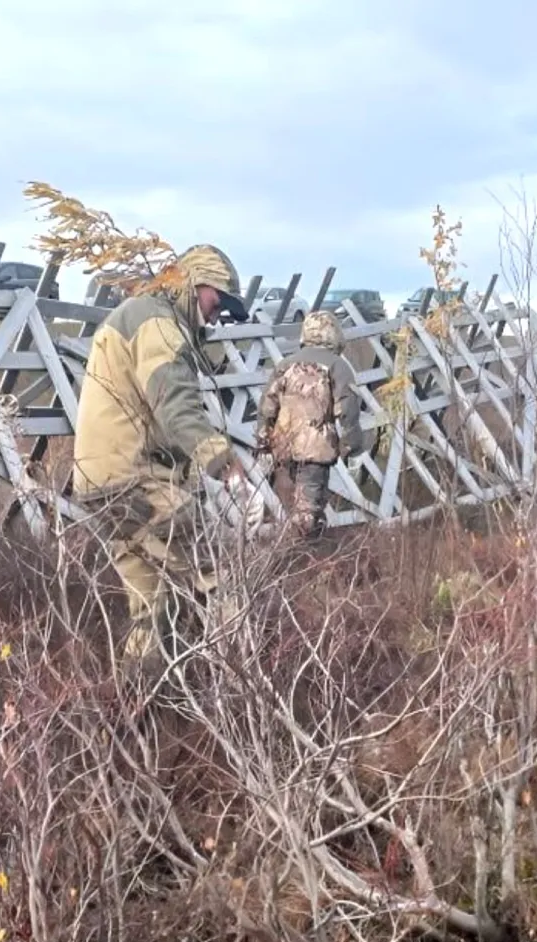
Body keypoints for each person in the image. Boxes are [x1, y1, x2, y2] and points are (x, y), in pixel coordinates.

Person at [70, 243, 249, 668]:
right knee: (217, 571)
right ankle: (250, 686)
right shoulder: (159, 324)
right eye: (217, 300)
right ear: (194, 283)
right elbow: (177, 407)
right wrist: (228, 468)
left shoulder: (138, 316)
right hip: (137, 478)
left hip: (101, 481)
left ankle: (135, 716)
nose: (218, 312)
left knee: (152, 608)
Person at [257, 310, 367, 536]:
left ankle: (284, 561)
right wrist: (351, 446)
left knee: (287, 510)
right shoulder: (338, 366)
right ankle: (305, 561)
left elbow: (267, 407)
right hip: (314, 453)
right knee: (308, 515)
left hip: (282, 450)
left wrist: (264, 443)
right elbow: (347, 409)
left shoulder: (285, 365)